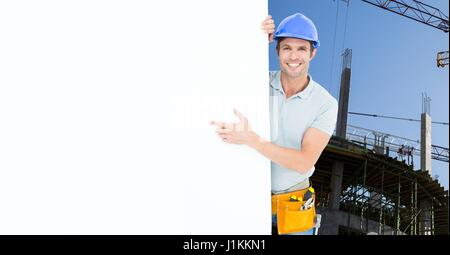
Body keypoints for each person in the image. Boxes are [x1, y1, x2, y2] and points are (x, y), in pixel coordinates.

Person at [210, 13, 338, 235]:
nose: (294, 56)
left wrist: (253, 141)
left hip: (292, 205)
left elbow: (303, 162)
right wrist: (252, 39)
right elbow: (221, 70)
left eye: (301, 49)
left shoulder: (325, 104)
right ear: (277, 50)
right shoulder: (256, 82)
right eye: (287, 47)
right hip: (247, 197)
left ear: (313, 53)